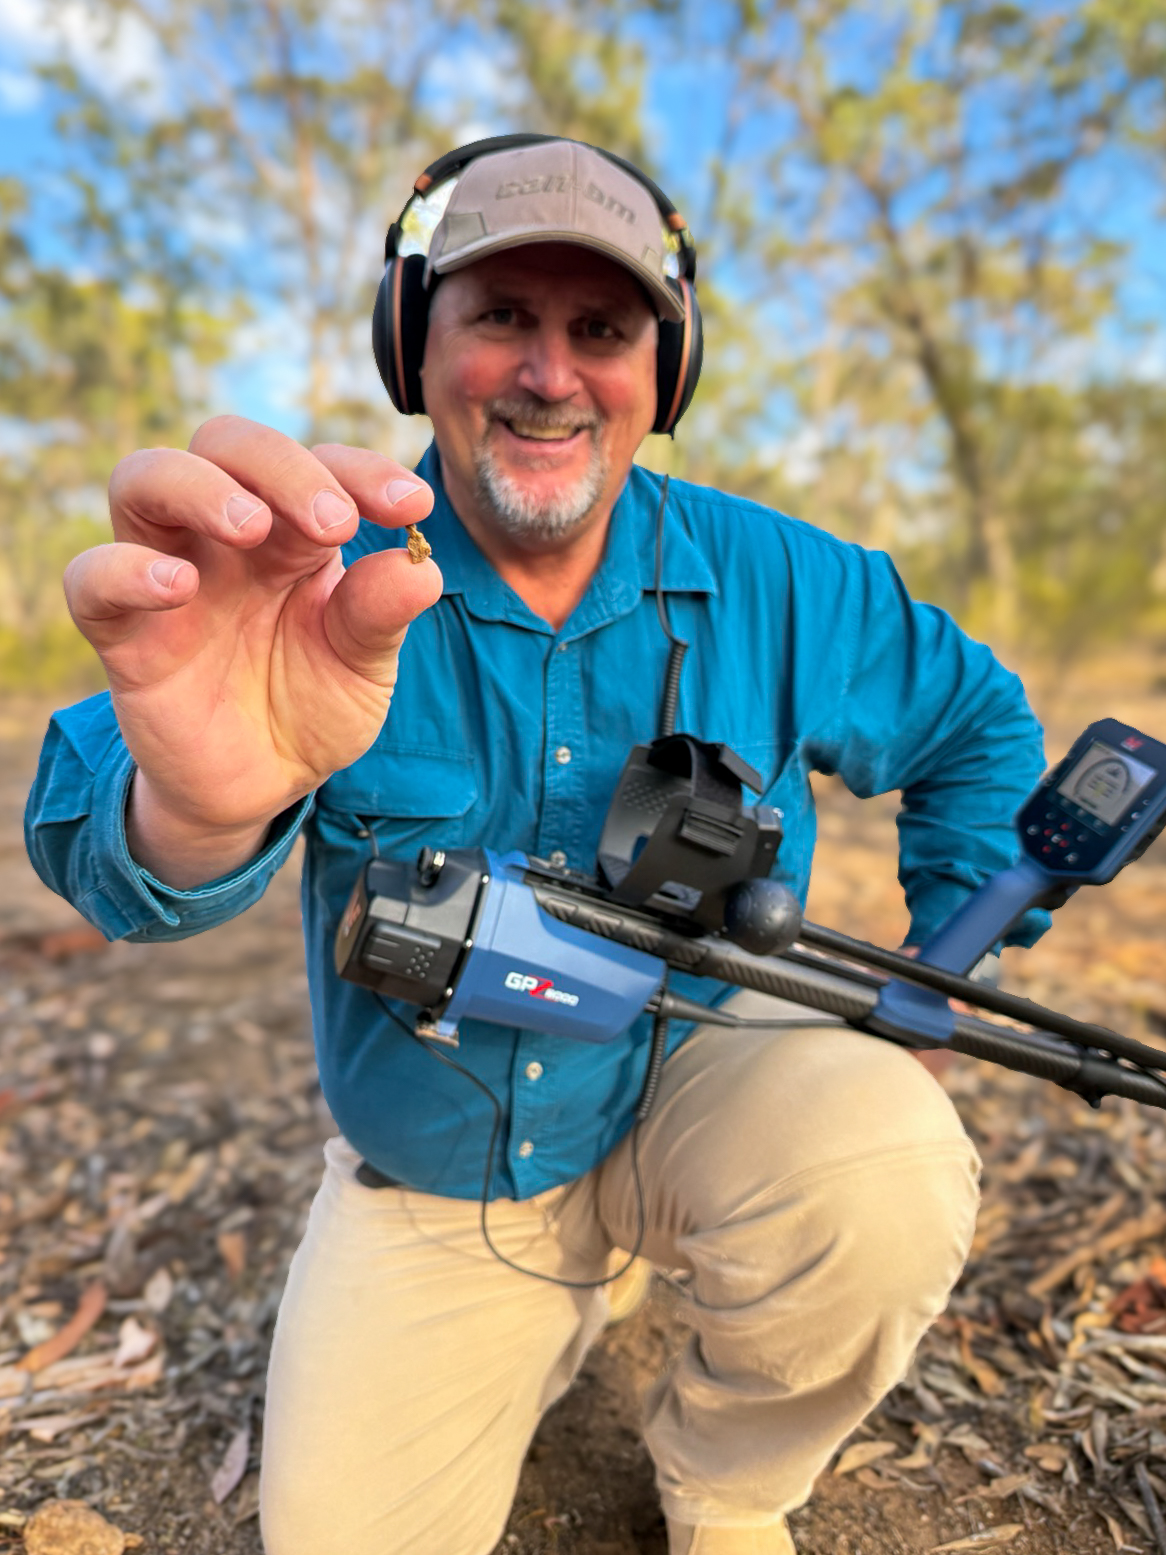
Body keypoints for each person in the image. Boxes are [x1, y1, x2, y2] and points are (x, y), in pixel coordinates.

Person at [26, 136, 1048, 1555]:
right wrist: (194, 812)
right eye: (501, 314)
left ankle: (731, 1484)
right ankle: (552, 1296)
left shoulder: (786, 579)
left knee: (879, 1164)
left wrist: (943, 963)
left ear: (661, 372)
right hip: (445, 1168)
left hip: (703, 1077)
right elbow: (108, 854)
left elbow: (976, 727)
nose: (550, 373)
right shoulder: (310, 589)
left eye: (601, 329)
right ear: (414, 343)